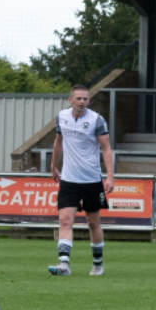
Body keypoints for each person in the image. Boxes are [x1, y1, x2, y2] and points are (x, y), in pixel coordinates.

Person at [47, 84, 113, 278]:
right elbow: (58, 142)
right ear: (70, 100)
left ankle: (98, 264)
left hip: (92, 180)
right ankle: (64, 264)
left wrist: (110, 177)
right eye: (79, 99)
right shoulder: (62, 117)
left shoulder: (96, 120)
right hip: (69, 180)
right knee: (65, 220)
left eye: (85, 99)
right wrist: (53, 165)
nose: (82, 102)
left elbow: (106, 148)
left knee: (93, 223)